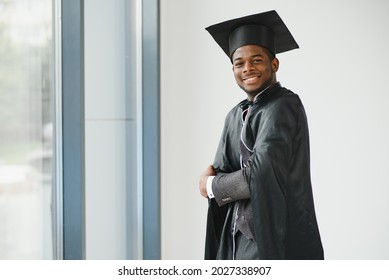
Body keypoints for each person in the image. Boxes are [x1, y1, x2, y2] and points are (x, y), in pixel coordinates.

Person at [199, 10, 324, 260]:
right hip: (234, 242)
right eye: (239, 63)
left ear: (274, 64)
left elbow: (261, 172)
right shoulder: (235, 115)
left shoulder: (284, 105)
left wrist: (211, 185)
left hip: (276, 238)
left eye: (257, 60)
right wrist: (218, 182)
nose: (248, 68)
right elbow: (222, 169)